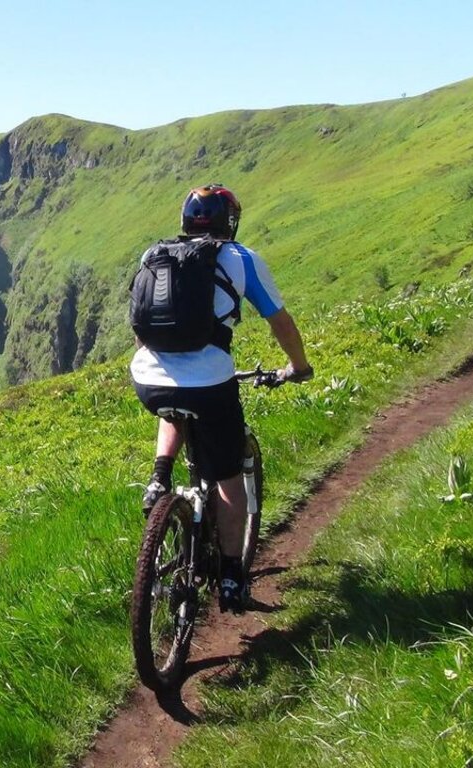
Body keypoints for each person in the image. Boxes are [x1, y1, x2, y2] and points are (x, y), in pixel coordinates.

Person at [130, 183, 313, 613]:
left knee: (174, 405)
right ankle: (232, 575)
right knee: (230, 479)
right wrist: (298, 367)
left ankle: (160, 477)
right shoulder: (241, 259)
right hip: (211, 383)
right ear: (229, 221)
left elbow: (142, 320)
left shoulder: (154, 255)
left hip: (148, 377)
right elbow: (279, 322)